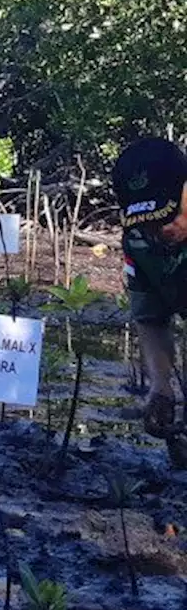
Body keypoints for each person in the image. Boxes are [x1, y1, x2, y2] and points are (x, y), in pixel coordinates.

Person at [113, 137, 187, 467]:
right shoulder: (138, 239)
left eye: (167, 216)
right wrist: (161, 385)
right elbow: (150, 316)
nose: (160, 230)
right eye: (148, 221)